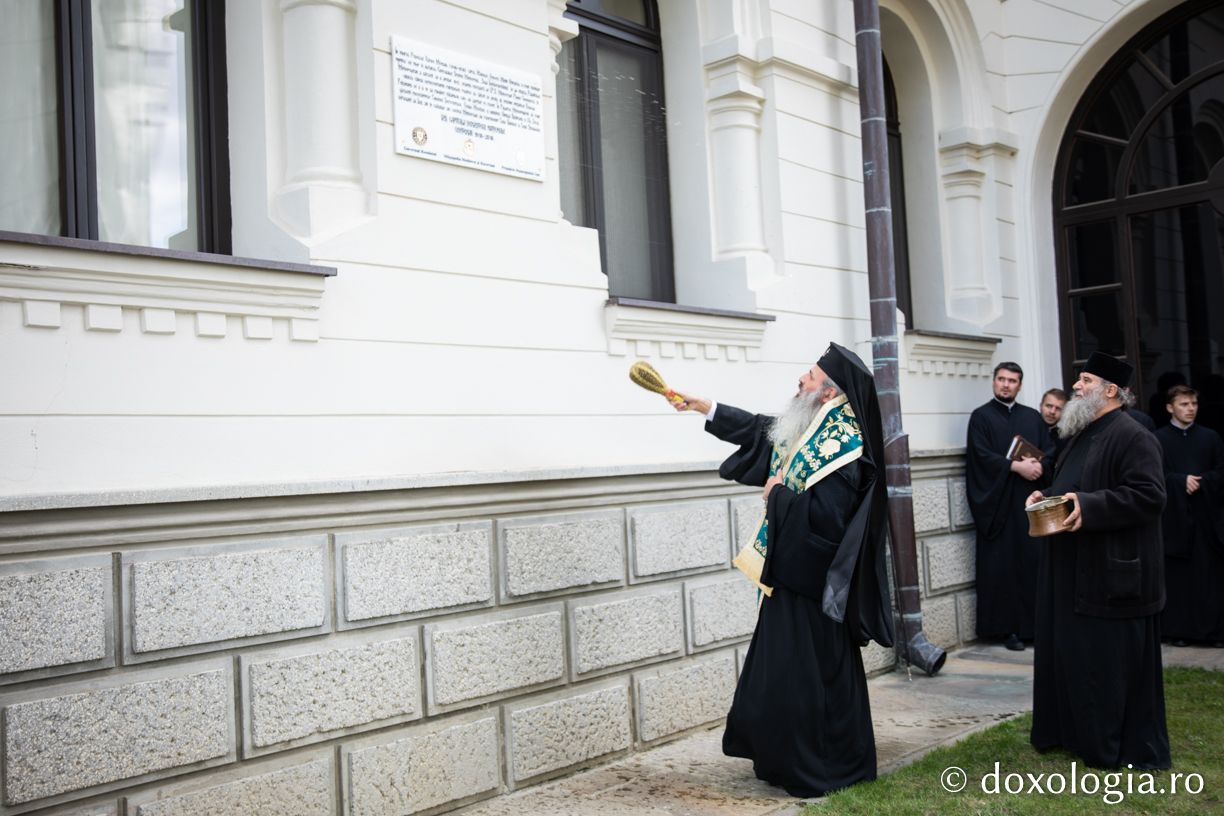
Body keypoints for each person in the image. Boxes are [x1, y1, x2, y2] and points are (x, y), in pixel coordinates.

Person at [670, 343, 893, 798]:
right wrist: (703, 407)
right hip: (791, 578)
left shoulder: (841, 447)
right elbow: (761, 431)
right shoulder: (813, 429)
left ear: (829, 393)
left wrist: (777, 497)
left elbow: (828, 523)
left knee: (809, 681)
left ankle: (821, 768)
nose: (801, 381)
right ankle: (781, 760)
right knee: (781, 678)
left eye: (808, 377)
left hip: (814, 584)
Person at [1026, 351, 1169, 770]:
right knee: (1074, 657)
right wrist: (1046, 495)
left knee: (1104, 665)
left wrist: (1085, 503)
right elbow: (1072, 485)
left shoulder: (1134, 435)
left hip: (1111, 573)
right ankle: (1074, 735)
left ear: (1110, 391)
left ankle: (1110, 747)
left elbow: (1149, 496)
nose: (1076, 386)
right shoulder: (1080, 432)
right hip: (1071, 569)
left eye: (1085, 380)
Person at [966, 362, 1055, 651]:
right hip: (999, 506)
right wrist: (1015, 467)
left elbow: (1050, 453)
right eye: (1002, 379)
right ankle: (1008, 630)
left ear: (1020, 385)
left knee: (1032, 564)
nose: (1006, 384)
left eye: (1013, 380)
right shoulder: (980, 417)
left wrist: (1038, 467)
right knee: (1002, 566)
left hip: (1029, 502)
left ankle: (1035, 627)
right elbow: (980, 456)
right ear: (993, 382)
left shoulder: (1032, 417)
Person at [1156, 385, 1224, 648]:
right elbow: (1153, 475)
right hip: (1175, 521)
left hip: (1206, 517)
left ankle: (1215, 632)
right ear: (1170, 407)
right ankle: (1181, 631)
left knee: (1208, 576)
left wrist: (1203, 481)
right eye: (1184, 404)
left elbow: (1221, 471)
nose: (1191, 409)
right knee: (1180, 578)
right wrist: (1178, 481)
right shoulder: (1158, 439)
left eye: (1193, 403)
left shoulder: (1211, 437)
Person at [1040, 388, 1069, 458]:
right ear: (1040, 406)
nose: (1052, 412)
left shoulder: (1066, 440)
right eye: (1049, 406)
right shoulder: (1027, 429)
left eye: (1058, 409)